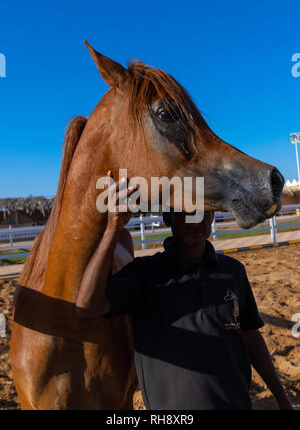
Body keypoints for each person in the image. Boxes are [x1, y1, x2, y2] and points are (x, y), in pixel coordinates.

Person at [76, 174, 293, 411]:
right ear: (167, 217)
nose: (196, 220)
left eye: (204, 210)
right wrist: (112, 229)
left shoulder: (233, 271)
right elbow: (87, 306)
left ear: (212, 215)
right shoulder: (144, 275)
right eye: (186, 211)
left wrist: (283, 400)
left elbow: (251, 337)